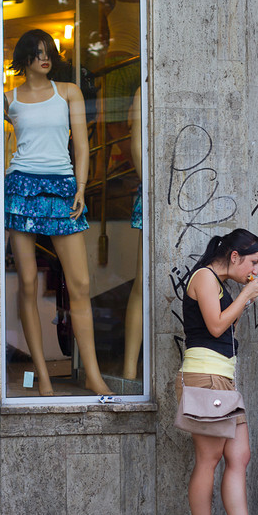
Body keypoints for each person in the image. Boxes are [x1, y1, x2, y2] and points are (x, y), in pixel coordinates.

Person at [4, 29, 111, 397]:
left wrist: (81, 187)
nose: (45, 58)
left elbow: (81, 145)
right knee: (28, 283)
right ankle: (43, 376)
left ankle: (93, 375)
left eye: (48, 51)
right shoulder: (9, 99)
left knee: (80, 284)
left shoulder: (68, 92)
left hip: (64, 188)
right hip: (21, 189)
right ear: (24, 59)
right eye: (37, 53)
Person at [175, 229, 258, 515]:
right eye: (253, 262)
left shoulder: (221, 285)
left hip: (222, 379)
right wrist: (245, 296)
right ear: (234, 256)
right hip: (206, 378)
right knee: (208, 460)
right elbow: (215, 326)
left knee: (240, 455)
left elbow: (226, 330)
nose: (254, 270)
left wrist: (242, 300)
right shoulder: (205, 277)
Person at [98, 0, 140, 172]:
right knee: (135, 121)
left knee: (114, 122)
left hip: (117, 64)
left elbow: (103, 38)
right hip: (139, 64)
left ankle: (138, 167)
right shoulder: (142, 0)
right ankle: (101, 173)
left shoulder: (109, 2)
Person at [123, 87, 142, 380]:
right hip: (154, 188)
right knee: (142, 282)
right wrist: (149, 183)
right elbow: (136, 143)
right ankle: (129, 369)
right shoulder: (142, 91)